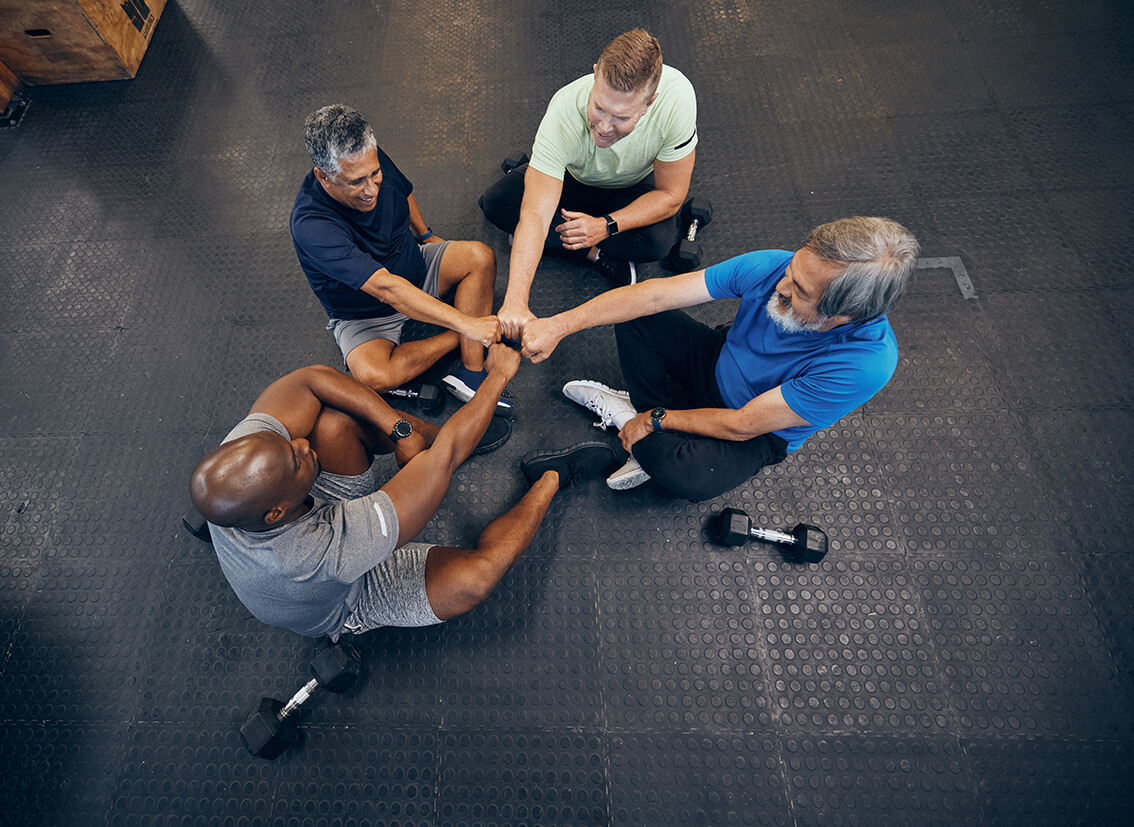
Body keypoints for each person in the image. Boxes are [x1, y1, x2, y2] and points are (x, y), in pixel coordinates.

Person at [189, 347, 617, 640]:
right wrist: (499, 375)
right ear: (274, 512)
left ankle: (446, 432)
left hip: (308, 520)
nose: (302, 445)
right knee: (475, 580)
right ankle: (552, 479)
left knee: (335, 423)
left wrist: (400, 430)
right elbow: (443, 460)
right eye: (296, 461)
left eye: (288, 444)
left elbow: (312, 380)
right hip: (347, 596)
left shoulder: (235, 468)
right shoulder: (314, 556)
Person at [520, 216, 920, 502]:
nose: (780, 284)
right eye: (792, 269)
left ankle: (638, 422)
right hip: (719, 360)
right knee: (640, 316)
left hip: (760, 426)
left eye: (799, 290)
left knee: (689, 478)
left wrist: (657, 420)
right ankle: (639, 414)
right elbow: (654, 294)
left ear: (842, 315)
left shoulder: (865, 363)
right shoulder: (774, 266)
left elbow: (743, 424)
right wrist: (559, 325)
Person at [478, 29, 698, 340]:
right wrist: (515, 301)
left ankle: (555, 243)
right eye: (599, 108)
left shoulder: (678, 99)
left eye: (621, 118)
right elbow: (536, 214)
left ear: (650, 103)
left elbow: (672, 195)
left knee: (657, 242)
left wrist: (606, 226)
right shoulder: (564, 110)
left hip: (630, 188)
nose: (605, 128)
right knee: (498, 204)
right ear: (595, 75)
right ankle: (594, 254)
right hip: (575, 179)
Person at [291, 104, 509, 412]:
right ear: (323, 177)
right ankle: (462, 334)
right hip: (366, 313)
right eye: (356, 182)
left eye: (374, 174)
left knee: (479, 256)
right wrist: (466, 324)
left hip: (415, 268)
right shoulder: (311, 225)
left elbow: (401, 190)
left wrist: (425, 235)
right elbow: (385, 289)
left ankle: (472, 374)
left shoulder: (367, 158)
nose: (370, 190)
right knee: (372, 376)